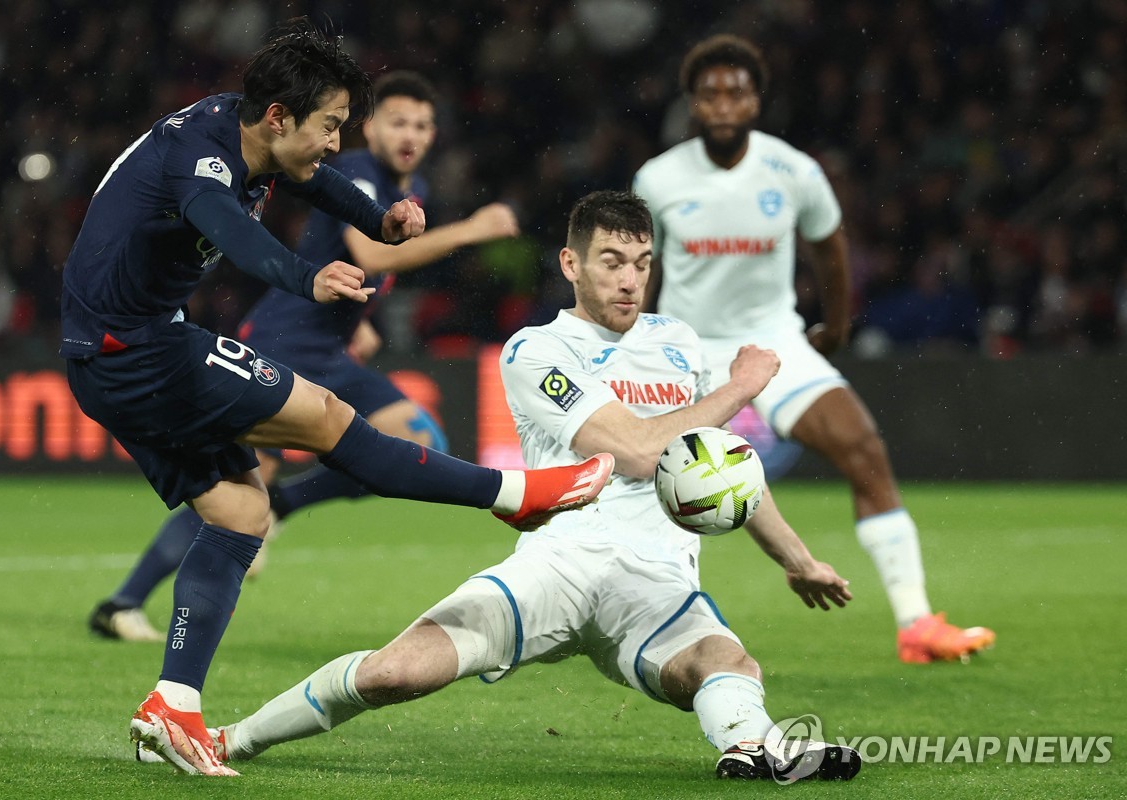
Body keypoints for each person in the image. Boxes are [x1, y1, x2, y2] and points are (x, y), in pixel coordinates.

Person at [61, 19, 613, 777]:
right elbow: (232, 230)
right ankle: (512, 493)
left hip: (109, 352)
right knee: (326, 419)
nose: (336, 142)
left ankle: (173, 706)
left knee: (241, 512)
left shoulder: (244, 123)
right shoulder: (201, 161)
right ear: (281, 117)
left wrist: (374, 216)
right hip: (140, 348)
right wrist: (304, 276)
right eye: (330, 125)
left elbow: (311, 179)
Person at [179, 191, 861, 782]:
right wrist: (741, 387)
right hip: (556, 568)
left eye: (643, 264)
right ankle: (230, 738)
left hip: (656, 583)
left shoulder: (678, 342)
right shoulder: (536, 350)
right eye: (612, 262)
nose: (630, 281)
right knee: (394, 674)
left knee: (725, 662)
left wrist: (798, 561)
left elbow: (722, 461)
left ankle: (756, 747)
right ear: (571, 264)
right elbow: (630, 451)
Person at [88, 70, 521, 643]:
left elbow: (363, 270)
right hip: (284, 338)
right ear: (370, 129)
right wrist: (471, 230)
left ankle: (282, 508)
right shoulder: (361, 174)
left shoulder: (404, 188)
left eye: (421, 123)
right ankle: (123, 601)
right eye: (396, 122)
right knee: (239, 485)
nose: (409, 134)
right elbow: (373, 253)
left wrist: (359, 324)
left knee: (419, 439)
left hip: (330, 347)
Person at [632, 34, 994, 663]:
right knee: (642, 485)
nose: (723, 103)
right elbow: (641, 266)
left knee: (862, 446)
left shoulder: (793, 170)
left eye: (736, 91)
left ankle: (917, 624)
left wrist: (836, 324)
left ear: (756, 100)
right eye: (710, 92)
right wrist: (636, 342)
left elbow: (829, 245)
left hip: (772, 341)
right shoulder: (658, 178)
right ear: (692, 102)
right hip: (685, 348)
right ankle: (637, 616)